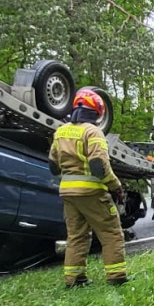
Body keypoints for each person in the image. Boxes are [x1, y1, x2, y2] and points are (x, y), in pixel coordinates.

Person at [49, 88, 128, 288]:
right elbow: (98, 165)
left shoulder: (61, 131)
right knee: (111, 233)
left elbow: (53, 164)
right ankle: (116, 276)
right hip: (92, 192)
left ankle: (74, 280)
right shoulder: (93, 132)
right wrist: (116, 186)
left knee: (76, 236)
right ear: (96, 112)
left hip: (68, 193)